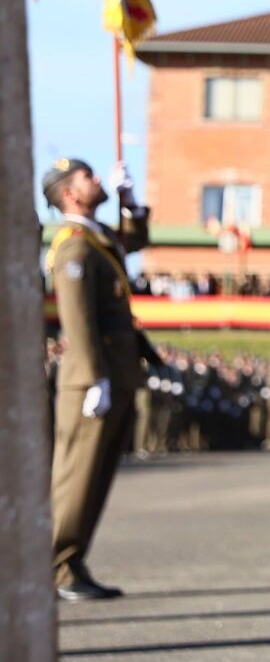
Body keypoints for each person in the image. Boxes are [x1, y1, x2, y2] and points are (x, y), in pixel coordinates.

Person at [44, 157, 153, 601]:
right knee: (77, 478)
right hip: (93, 378)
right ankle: (54, 566)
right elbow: (77, 317)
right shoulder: (73, 245)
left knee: (99, 477)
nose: (97, 180)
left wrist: (130, 204)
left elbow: (134, 240)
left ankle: (72, 563)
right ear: (70, 193)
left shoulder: (98, 237)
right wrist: (93, 378)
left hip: (115, 373)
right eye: (88, 177)